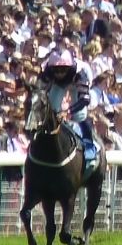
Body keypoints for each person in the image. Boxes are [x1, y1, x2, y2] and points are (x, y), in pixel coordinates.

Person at [38, 43, 99, 175]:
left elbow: (85, 99)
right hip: (56, 88)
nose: (59, 73)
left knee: (81, 115)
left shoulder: (79, 73)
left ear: (70, 67)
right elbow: (38, 93)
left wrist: (68, 112)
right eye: (56, 70)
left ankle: (89, 151)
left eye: (63, 69)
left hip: (74, 90)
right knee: (52, 109)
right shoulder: (47, 73)